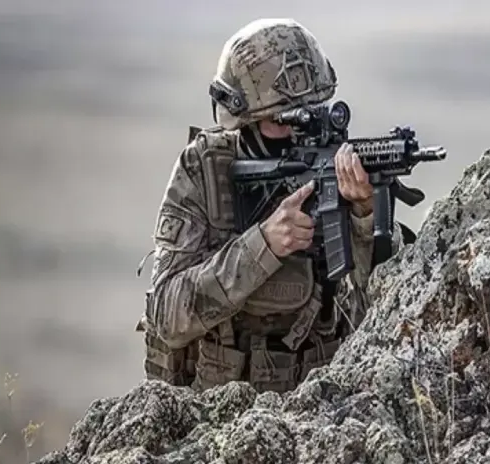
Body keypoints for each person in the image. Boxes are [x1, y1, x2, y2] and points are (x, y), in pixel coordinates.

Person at [136, 18, 405, 393]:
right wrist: (263, 245)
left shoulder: (334, 165)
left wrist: (364, 217)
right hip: (218, 400)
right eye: (282, 119)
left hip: (318, 395)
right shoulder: (205, 170)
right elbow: (168, 315)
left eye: (311, 112)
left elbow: (384, 305)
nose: (298, 131)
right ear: (243, 120)